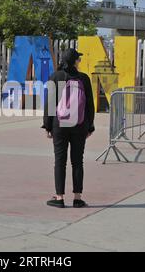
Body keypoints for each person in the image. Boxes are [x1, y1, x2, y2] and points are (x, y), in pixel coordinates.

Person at [42, 49, 95, 209]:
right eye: (78, 59)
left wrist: (47, 125)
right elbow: (90, 105)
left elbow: (49, 104)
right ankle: (77, 198)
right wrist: (90, 126)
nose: (79, 61)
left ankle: (59, 198)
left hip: (60, 125)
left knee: (60, 161)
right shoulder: (83, 78)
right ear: (75, 61)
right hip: (79, 125)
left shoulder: (56, 77)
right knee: (77, 161)